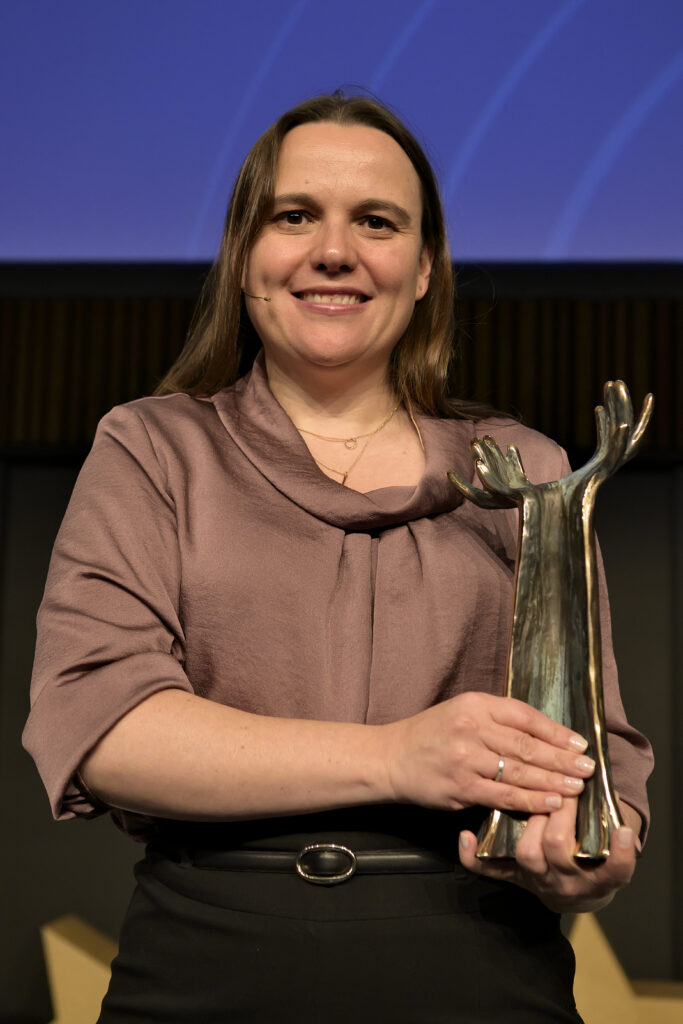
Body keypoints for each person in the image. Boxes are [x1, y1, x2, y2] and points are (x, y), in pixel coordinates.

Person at [24, 93, 652, 1023]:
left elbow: (596, 751)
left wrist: (592, 848)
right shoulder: (151, 449)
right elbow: (104, 728)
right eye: (294, 215)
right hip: (207, 964)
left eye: (376, 222)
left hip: (480, 969)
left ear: (425, 266)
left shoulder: (530, 473)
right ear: (244, 255)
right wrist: (398, 756)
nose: (333, 250)